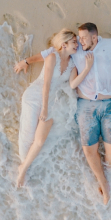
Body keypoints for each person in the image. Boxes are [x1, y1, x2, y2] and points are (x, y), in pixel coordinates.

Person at [14, 23, 111, 204]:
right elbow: (46, 59)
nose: (79, 43)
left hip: (86, 103)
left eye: (81, 39)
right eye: (76, 40)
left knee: (110, 151)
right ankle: (24, 169)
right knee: (33, 137)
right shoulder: (64, 55)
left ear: (94, 37)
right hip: (61, 102)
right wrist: (26, 61)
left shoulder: (95, 52)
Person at [16, 29, 93, 187]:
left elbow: (72, 84)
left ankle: (23, 169)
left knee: (39, 141)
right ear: (64, 44)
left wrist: (86, 69)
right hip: (35, 98)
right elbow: (46, 84)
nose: (77, 45)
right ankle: (23, 166)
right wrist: (44, 109)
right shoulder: (52, 57)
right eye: (74, 42)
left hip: (51, 103)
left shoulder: (72, 64)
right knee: (28, 137)